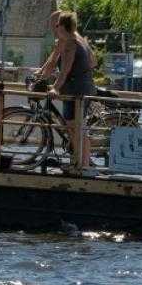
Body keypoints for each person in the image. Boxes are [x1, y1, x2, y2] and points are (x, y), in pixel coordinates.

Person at [48, 11, 97, 170]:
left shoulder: (70, 44)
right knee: (77, 128)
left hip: (77, 91)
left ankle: (83, 165)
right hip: (82, 87)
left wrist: (55, 88)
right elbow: (93, 62)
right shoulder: (78, 40)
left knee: (76, 128)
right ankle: (82, 162)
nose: (55, 29)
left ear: (62, 26)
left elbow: (65, 71)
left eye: (57, 25)